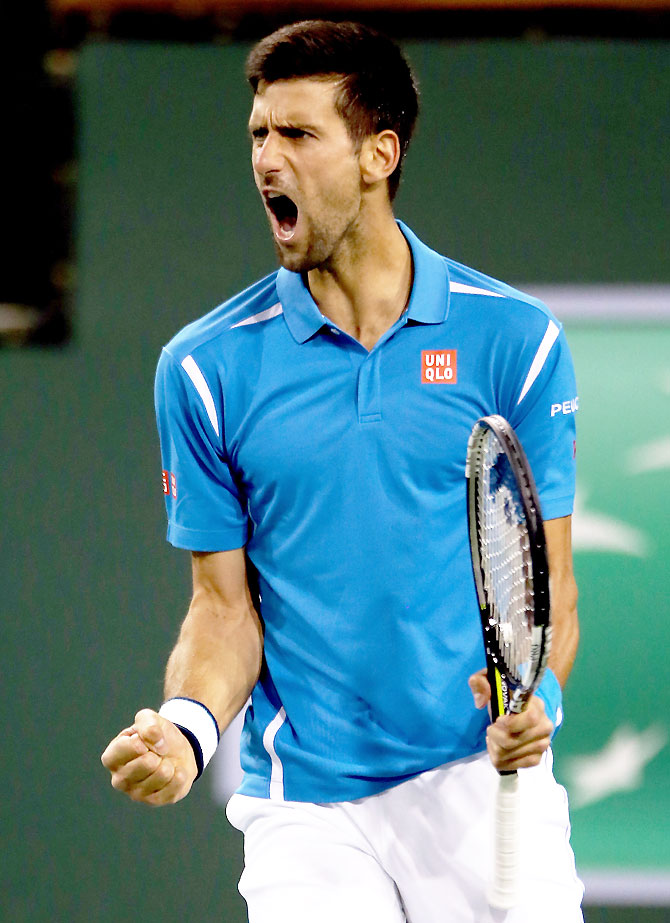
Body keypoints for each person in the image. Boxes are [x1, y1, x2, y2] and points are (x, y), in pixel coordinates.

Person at [101, 20, 584, 923]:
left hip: (476, 778)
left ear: (378, 154)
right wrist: (187, 728)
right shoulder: (203, 369)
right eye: (258, 134)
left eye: (298, 134)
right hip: (307, 804)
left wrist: (535, 699)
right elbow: (222, 606)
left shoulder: (515, 342)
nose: (266, 160)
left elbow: (547, 589)